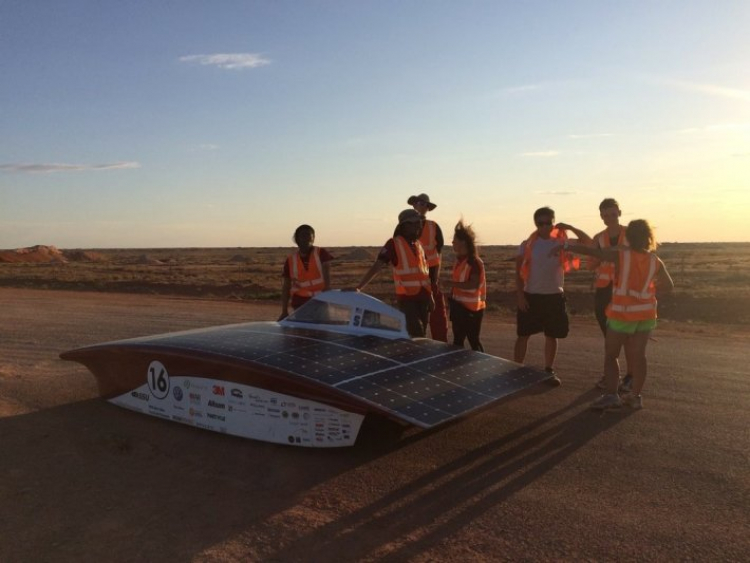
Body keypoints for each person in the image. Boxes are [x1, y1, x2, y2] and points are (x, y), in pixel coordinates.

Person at [552, 219, 674, 410]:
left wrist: (566, 246)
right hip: (646, 315)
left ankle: (611, 395)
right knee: (639, 357)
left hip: (622, 315)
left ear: (629, 237)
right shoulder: (655, 261)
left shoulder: (621, 256)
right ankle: (635, 397)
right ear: (649, 237)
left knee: (611, 356)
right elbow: (669, 285)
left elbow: (594, 253)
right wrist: (649, 291)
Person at [514, 207, 590, 385]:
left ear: (554, 222)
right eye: (541, 223)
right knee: (523, 334)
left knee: (552, 335)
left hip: (554, 296)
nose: (545, 226)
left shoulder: (563, 242)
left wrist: (570, 227)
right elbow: (518, 272)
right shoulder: (527, 245)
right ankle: (516, 368)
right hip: (531, 295)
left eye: (549, 222)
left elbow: (589, 243)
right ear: (536, 224)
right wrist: (520, 296)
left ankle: (548, 370)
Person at [354, 209, 434, 337]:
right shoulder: (394, 244)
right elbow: (377, 266)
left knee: (421, 334)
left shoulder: (418, 245)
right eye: (414, 223)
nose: (418, 227)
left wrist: (430, 296)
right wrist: (359, 286)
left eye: (419, 223)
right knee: (415, 332)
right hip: (407, 298)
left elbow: (424, 274)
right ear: (404, 226)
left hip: (423, 297)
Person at [589, 198, 633, 391]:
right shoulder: (598, 238)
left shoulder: (632, 235)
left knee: (629, 337)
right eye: (605, 215)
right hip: (604, 292)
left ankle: (631, 376)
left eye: (613, 214)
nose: (609, 218)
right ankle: (610, 376)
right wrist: (607, 253)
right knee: (609, 338)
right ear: (601, 216)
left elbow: (642, 255)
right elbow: (591, 264)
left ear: (619, 213)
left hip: (626, 290)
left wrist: (610, 252)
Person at [408, 193, 448, 342]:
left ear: (428, 208)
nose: (420, 206)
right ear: (414, 205)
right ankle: (418, 344)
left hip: (430, 277)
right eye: (418, 203)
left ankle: (441, 344)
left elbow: (439, 253)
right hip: (412, 279)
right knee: (416, 317)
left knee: (436, 314)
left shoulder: (434, 227)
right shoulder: (406, 227)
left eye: (424, 204)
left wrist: (435, 278)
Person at [444, 220, 486, 351]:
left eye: (455, 240)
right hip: (458, 307)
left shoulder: (474, 262)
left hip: (472, 309)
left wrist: (451, 284)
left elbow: (473, 285)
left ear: (463, 242)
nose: (452, 243)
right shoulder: (459, 261)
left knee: (473, 340)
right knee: (458, 340)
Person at [278, 225, 333, 320]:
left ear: (313, 238)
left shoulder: (321, 253)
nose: (306, 239)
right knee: (303, 333)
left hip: (320, 301)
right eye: (303, 236)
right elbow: (286, 287)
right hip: (300, 303)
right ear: (297, 239)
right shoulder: (291, 260)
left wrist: (327, 290)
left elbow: (326, 272)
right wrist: (284, 311)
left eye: (309, 236)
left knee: (323, 332)